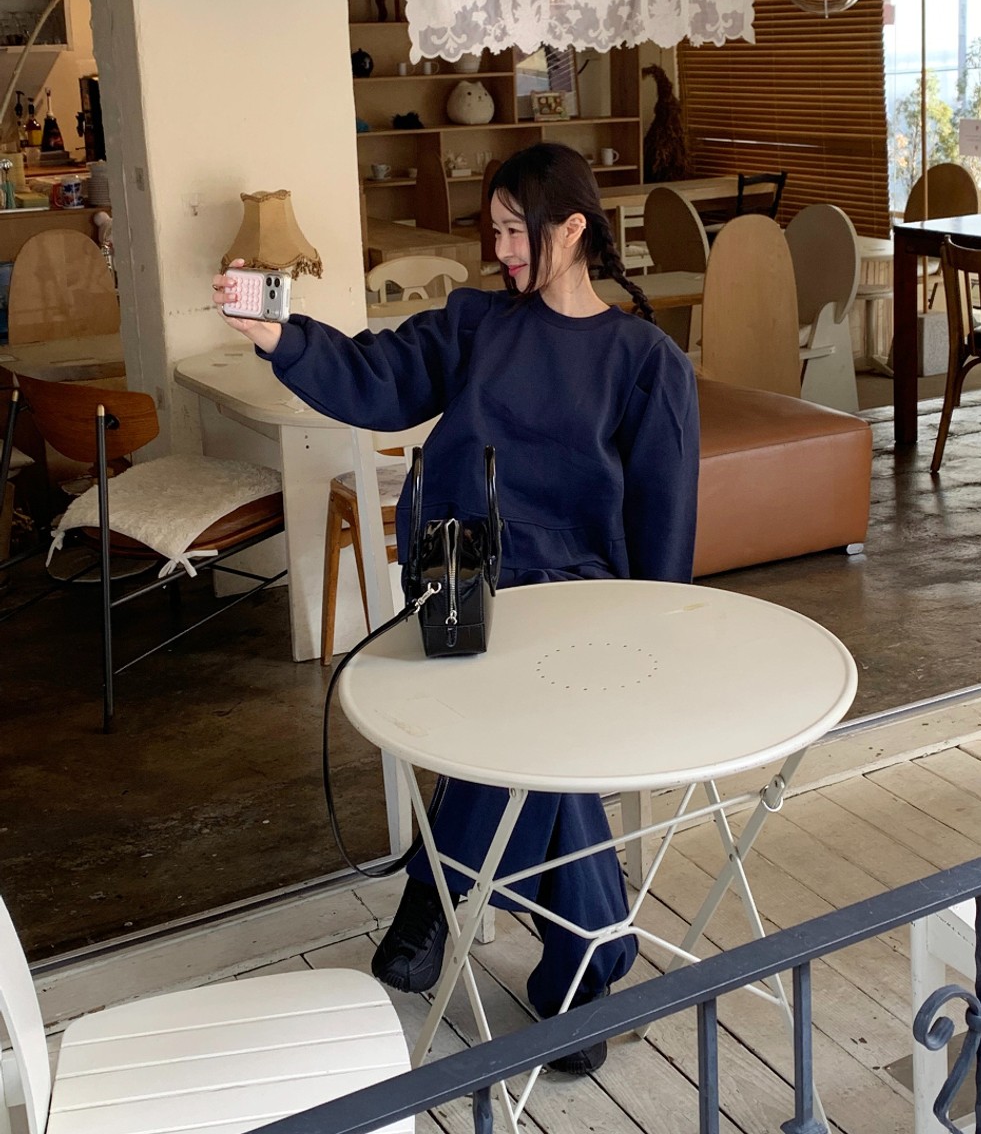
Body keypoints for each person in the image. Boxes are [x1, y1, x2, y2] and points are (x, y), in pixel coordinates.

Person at [212, 142, 699, 1074]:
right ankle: (583, 969)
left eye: (518, 231)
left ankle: (438, 892)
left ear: (573, 229)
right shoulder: (478, 324)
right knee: (535, 725)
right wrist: (279, 335)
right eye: (495, 230)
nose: (501, 249)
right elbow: (379, 378)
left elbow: (663, 519)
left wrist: (656, 641)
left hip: (580, 602)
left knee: (536, 731)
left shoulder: (646, 362)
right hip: (460, 576)